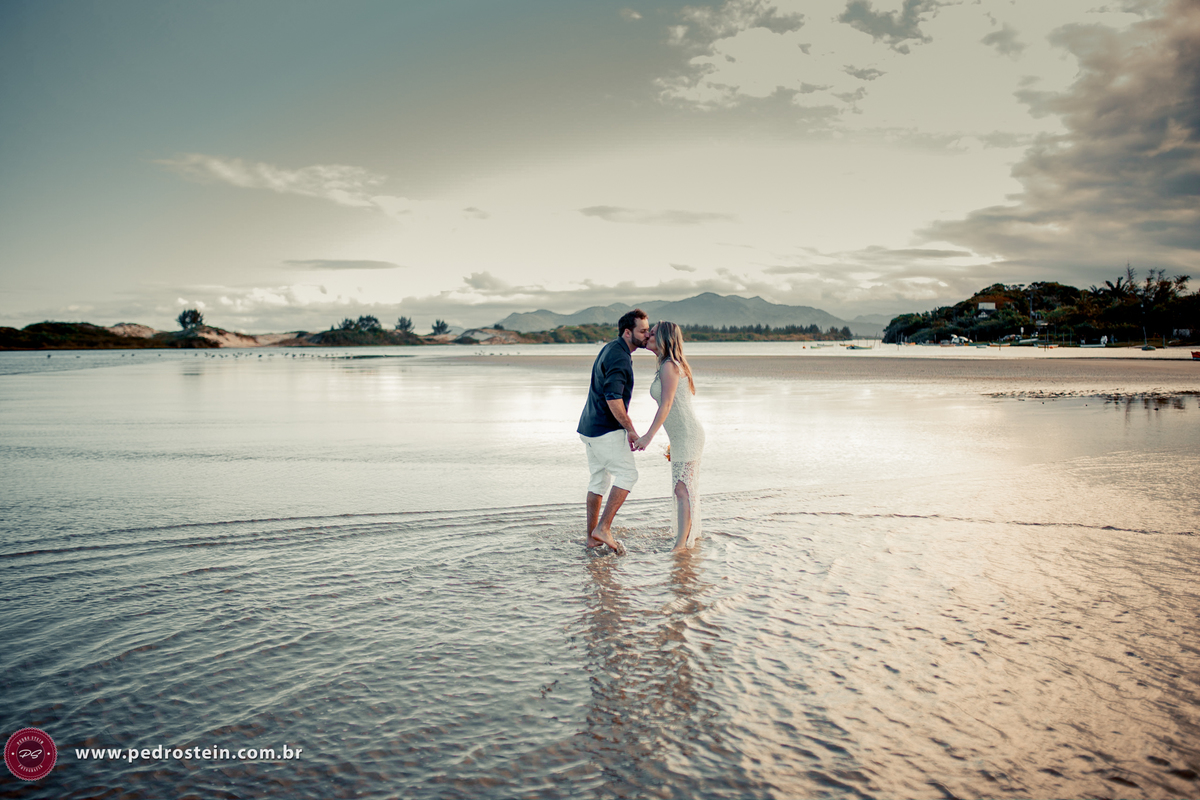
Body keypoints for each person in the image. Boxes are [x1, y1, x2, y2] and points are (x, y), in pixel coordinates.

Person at [577, 309, 650, 555]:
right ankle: (603, 529)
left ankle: (592, 538)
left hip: (588, 427)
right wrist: (631, 430)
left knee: (599, 479)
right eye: (642, 331)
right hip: (604, 430)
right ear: (627, 332)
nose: (646, 334)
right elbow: (613, 397)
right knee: (628, 474)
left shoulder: (611, 348)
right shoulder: (619, 356)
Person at [634, 321, 705, 551]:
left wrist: (647, 437)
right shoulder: (666, 365)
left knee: (683, 489)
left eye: (652, 334)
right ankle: (685, 538)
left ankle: (681, 545)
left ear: (663, 338)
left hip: (688, 435)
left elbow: (666, 406)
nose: (648, 337)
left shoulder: (670, 366)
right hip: (681, 436)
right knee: (683, 488)